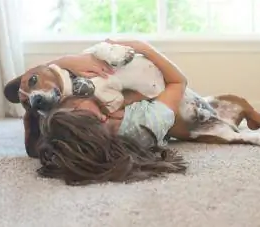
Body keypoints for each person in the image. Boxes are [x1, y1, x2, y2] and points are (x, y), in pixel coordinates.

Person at [36, 39, 190, 186]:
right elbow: (178, 82)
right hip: (172, 94)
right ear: (102, 118)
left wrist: (66, 61)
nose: (69, 97)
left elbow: (38, 81)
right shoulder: (147, 124)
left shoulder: (62, 127)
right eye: (75, 105)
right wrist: (144, 47)